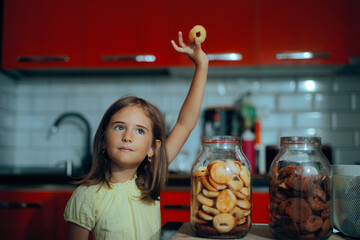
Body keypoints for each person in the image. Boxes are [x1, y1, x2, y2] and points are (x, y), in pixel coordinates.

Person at [64, 30, 209, 240]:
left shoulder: (149, 183)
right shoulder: (86, 196)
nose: (128, 136)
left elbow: (185, 124)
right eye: (119, 127)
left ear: (152, 148)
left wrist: (202, 66)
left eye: (139, 131)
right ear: (103, 140)